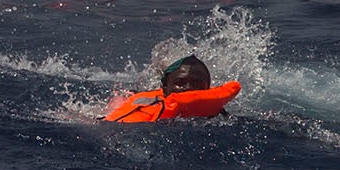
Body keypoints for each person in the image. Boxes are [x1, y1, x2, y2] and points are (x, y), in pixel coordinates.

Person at [102, 55, 242, 122]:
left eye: (196, 84)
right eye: (180, 83)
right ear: (165, 88)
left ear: (207, 88)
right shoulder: (149, 108)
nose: (189, 89)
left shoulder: (220, 116)